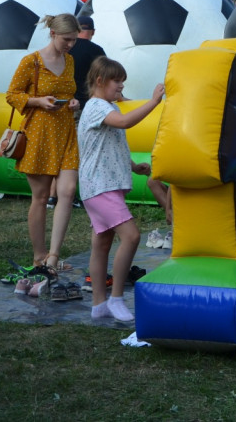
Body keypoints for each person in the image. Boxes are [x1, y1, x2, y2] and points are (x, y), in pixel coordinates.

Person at [78, 56, 165, 321]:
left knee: (102, 243)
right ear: (100, 81)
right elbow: (125, 123)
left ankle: (98, 304)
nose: (121, 87)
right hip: (99, 186)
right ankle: (116, 297)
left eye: (123, 82)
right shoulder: (96, 106)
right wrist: (153, 102)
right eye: (117, 81)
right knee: (131, 236)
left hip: (102, 186)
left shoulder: (104, 108)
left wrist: (132, 166)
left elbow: (106, 146)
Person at [5, 13, 82, 273]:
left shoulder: (69, 60)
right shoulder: (32, 61)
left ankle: (53, 256)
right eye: (66, 39)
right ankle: (39, 256)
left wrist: (73, 102)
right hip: (39, 133)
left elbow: (69, 92)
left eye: (73, 40)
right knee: (39, 197)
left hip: (66, 130)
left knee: (68, 192)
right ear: (52, 34)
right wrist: (38, 101)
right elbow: (12, 94)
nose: (70, 44)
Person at [70, 15, 106, 111]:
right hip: (88, 106)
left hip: (66, 103)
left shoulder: (66, 47)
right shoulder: (97, 50)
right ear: (93, 32)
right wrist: (120, 97)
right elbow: (107, 76)